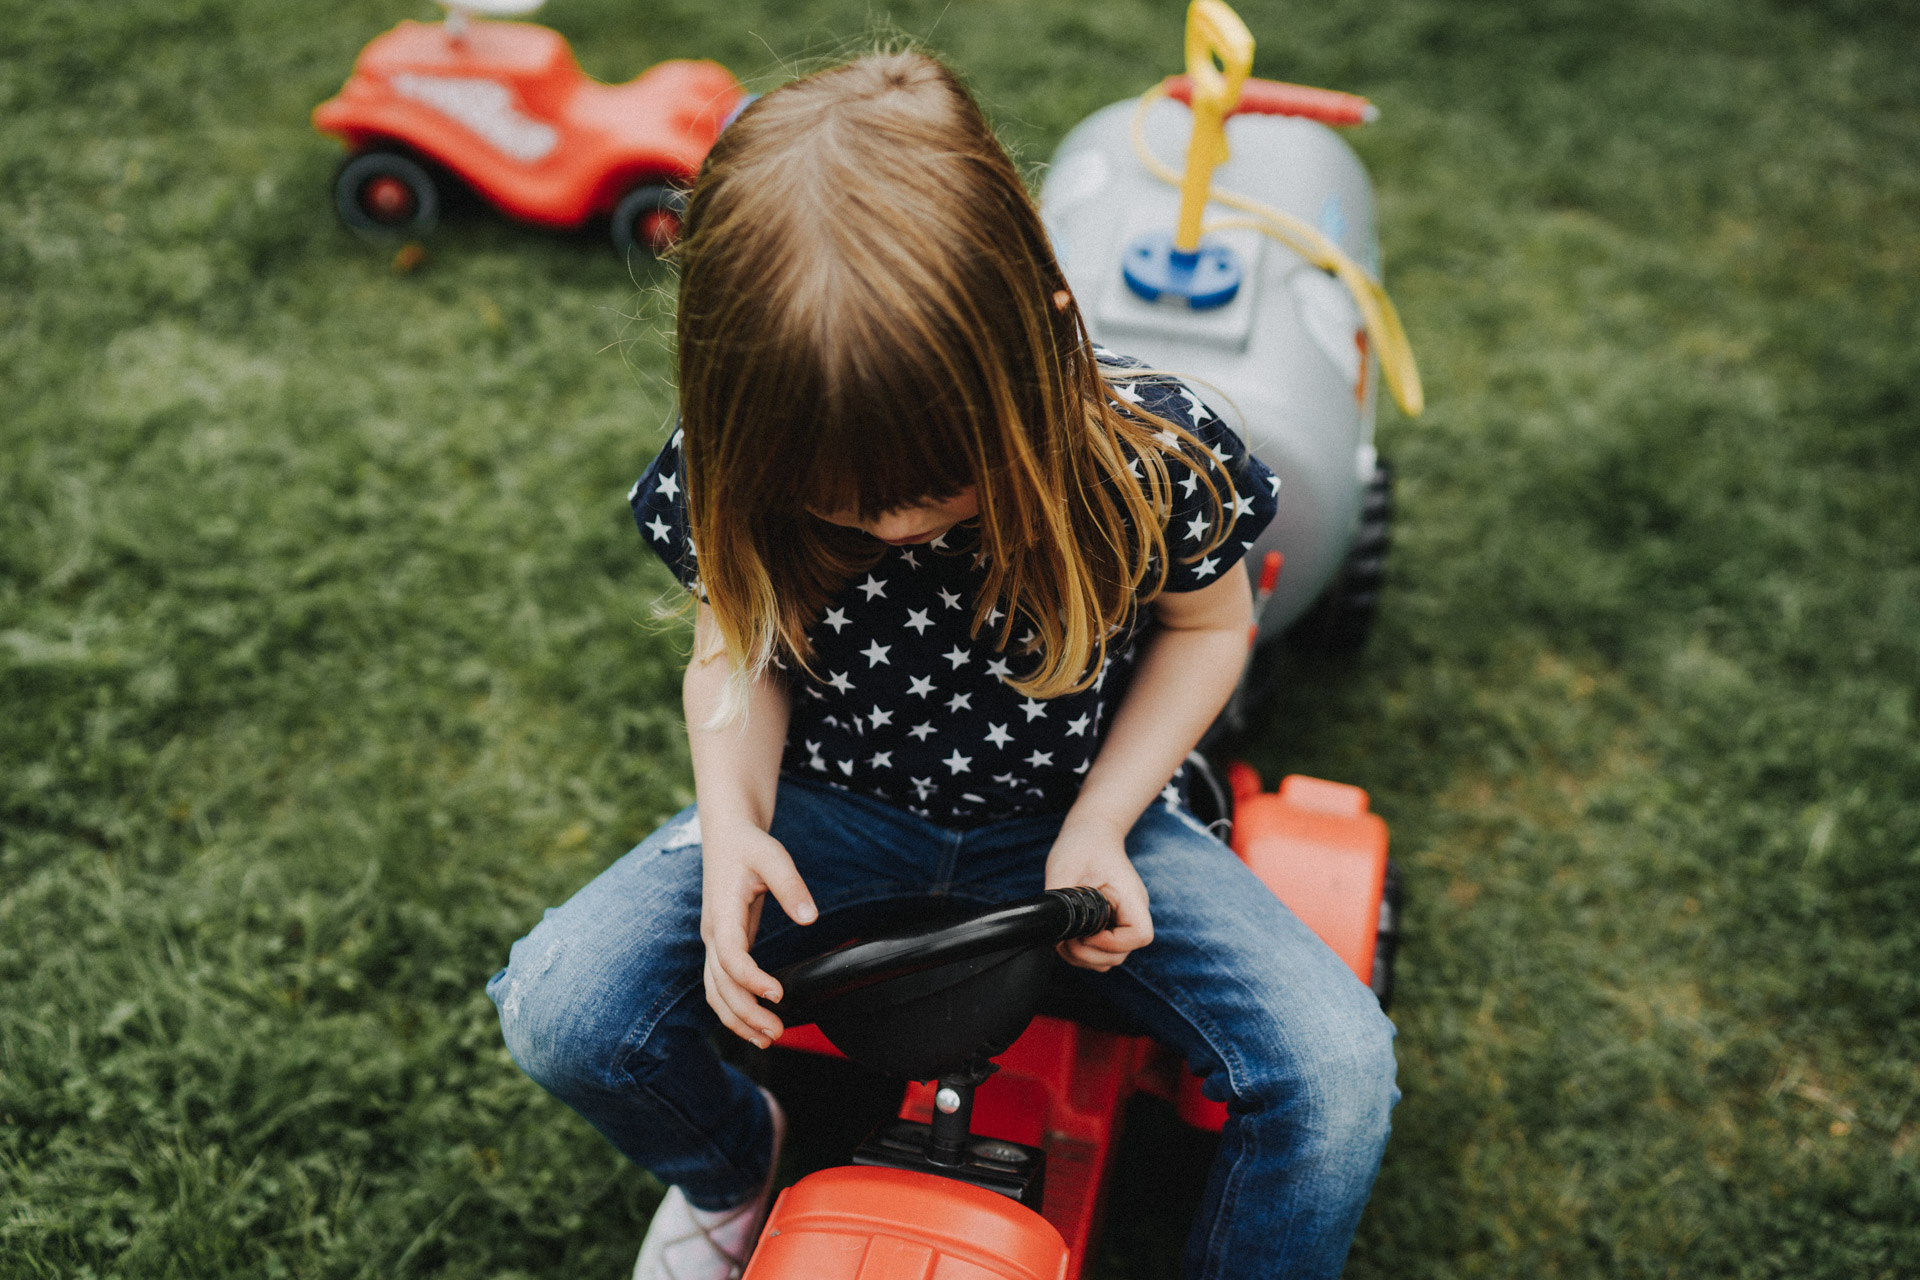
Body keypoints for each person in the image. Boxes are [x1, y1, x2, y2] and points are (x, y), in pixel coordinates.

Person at [488, 49, 1397, 1280]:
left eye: (934, 489)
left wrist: (1101, 822)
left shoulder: (1155, 455)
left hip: (1081, 822)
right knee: (561, 1006)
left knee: (1336, 1070)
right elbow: (734, 650)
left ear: (1043, 342)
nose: (901, 527)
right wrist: (734, 821)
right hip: (830, 816)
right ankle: (734, 1159)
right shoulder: (732, 464)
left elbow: (1210, 629)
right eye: (849, 506)